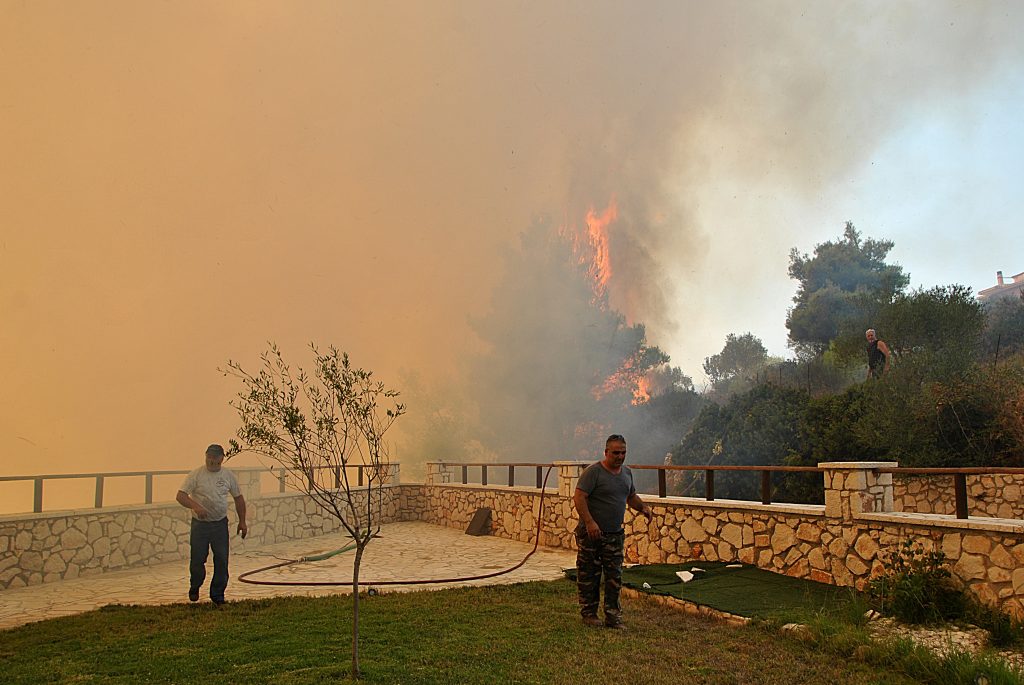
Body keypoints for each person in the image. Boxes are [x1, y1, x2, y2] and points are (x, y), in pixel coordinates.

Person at [573, 434, 653, 629]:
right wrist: (590, 522)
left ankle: (613, 616)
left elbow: (630, 496)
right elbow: (579, 497)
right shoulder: (594, 473)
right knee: (589, 575)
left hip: (614, 535)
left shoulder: (626, 473)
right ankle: (589, 614)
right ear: (606, 452)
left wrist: (643, 508)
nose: (620, 456)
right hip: (591, 534)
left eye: (623, 453)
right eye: (616, 452)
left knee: (614, 577)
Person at [176, 444, 247, 605]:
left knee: (221, 559)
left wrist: (242, 521)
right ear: (205, 456)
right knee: (198, 560)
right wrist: (196, 506)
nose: (211, 460)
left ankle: (217, 595)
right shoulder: (196, 475)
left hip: (220, 524)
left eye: (215, 457)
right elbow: (180, 496)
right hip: (200, 525)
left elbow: (238, 498)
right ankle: (195, 585)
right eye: (209, 457)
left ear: (222, 458)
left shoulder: (228, 476)